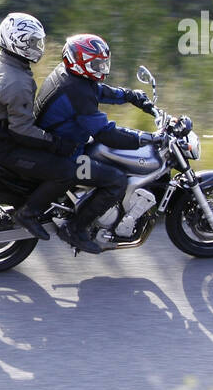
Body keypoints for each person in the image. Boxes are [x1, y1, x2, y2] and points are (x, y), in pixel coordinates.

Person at [34, 33, 160, 252]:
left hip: (62, 144)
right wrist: (145, 138)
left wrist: (130, 96)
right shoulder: (77, 90)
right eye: (96, 64)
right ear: (79, 62)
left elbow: (99, 92)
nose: (102, 68)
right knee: (116, 180)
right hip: (67, 156)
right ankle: (75, 229)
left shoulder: (70, 77)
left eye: (104, 63)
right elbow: (106, 134)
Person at [0, 12, 82, 242]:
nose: (37, 46)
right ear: (17, 41)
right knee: (66, 171)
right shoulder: (18, 81)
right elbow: (21, 130)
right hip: (3, 144)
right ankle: (28, 214)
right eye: (31, 42)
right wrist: (56, 143)